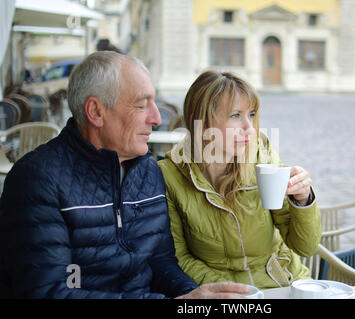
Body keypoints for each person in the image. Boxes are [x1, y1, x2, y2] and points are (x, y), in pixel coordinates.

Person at [0, 51, 249, 299]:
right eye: (142, 105)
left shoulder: (148, 171)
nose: (157, 118)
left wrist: (195, 296)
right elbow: (48, 292)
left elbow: (160, 262)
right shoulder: (36, 180)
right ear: (96, 112)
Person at [157, 70, 322, 289]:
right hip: (227, 294)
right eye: (236, 115)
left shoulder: (262, 156)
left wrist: (303, 201)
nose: (249, 129)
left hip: (284, 284)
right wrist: (237, 291)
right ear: (203, 122)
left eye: (251, 115)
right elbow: (180, 258)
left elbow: (305, 247)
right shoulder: (170, 175)